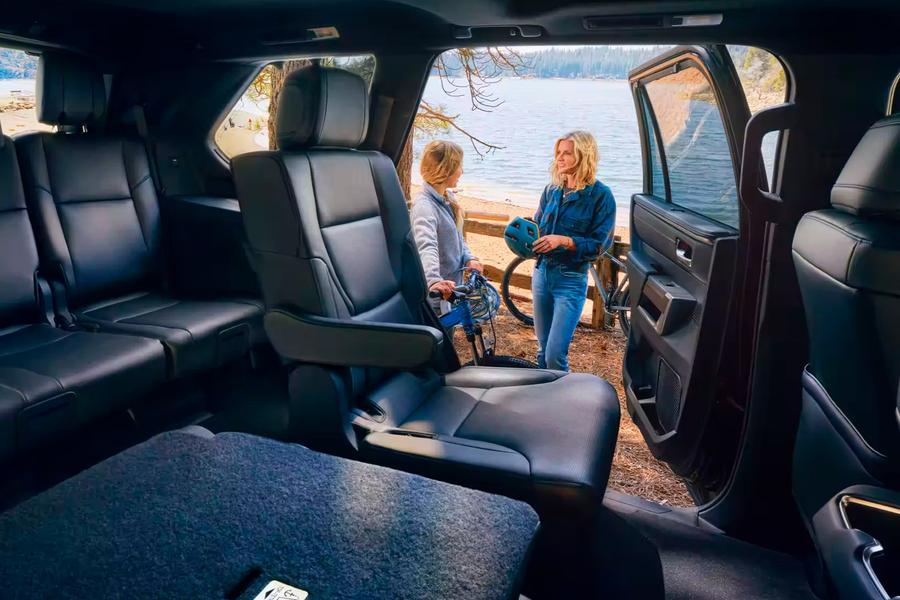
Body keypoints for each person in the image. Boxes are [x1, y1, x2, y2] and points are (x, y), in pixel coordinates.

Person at [532, 131, 616, 371]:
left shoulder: (601, 196)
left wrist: (564, 241)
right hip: (541, 274)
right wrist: (525, 236)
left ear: (584, 155)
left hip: (570, 281)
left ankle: (562, 395)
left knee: (555, 355)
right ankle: (543, 393)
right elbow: (537, 227)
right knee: (543, 350)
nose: (559, 158)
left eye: (567, 153)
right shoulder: (551, 190)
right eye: (558, 152)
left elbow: (599, 246)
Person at [410, 140, 483, 313]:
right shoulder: (425, 206)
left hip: (453, 291)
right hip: (437, 297)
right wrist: (434, 280)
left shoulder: (448, 197)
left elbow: (458, 238)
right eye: (458, 166)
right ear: (445, 170)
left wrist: (469, 258)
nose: (461, 172)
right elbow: (425, 245)